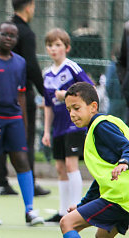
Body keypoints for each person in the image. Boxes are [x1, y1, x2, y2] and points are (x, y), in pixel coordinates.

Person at [57, 82, 129, 238]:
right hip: (121, 196)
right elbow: (101, 181)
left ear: (93, 107)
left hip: (120, 196)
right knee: (104, 236)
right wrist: (81, 205)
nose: (72, 114)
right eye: (69, 109)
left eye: (77, 108)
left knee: (67, 223)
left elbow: (127, 146)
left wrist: (125, 160)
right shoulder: (101, 126)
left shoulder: (100, 126)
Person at [0, 21, 44, 226]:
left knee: (21, 161)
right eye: (4, 34)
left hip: (14, 117)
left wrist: (23, 122)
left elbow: (21, 94)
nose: (8, 38)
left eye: (12, 36)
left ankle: (30, 210)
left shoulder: (21, 62)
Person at [0, 0, 50, 197]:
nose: (8, 38)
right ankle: (29, 182)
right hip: (18, 96)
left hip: (2, 94)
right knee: (25, 140)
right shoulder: (26, 33)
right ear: (29, 6)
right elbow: (31, 65)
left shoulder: (3, 28)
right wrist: (45, 93)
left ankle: (3, 182)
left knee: (0, 141)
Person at [41, 28, 93, 224]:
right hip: (58, 127)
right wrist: (47, 130)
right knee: (60, 167)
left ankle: (76, 209)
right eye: (50, 45)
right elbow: (47, 105)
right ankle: (63, 211)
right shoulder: (47, 74)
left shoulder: (72, 67)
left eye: (58, 45)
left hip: (74, 124)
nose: (53, 49)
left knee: (71, 164)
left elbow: (89, 89)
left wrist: (67, 94)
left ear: (66, 47)